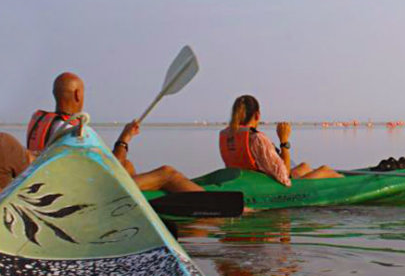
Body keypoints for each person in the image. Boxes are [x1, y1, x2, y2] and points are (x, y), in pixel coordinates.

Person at [26, 72, 204, 193]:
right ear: (78, 94)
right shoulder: (75, 130)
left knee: (128, 166)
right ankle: (211, 202)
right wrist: (125, 138)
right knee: (167, 173)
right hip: (83, 192)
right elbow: (112, 170)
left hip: (50, 183)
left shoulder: (38, 120)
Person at [219, 95, 342, 184]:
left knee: (305, 166)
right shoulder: (257, 138)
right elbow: (285, 177)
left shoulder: (229, 135)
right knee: (325, 169)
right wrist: (284, 141)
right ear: (257, 115)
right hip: (273, 185)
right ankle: (349, 184)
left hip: (252, 180)